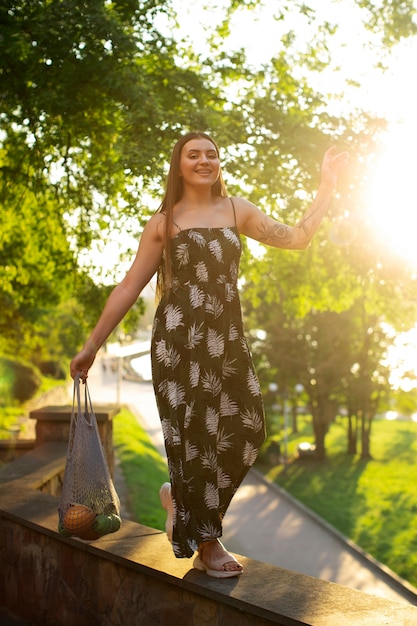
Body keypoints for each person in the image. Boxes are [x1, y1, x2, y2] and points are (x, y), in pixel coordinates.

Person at [70, 131, 349, 578]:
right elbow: (128, 286)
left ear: (220, 162)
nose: (204, 161)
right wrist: (91, 347)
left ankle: (182, 502)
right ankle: (206, 539)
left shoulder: (237, 210)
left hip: (227, 340)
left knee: (250, 428)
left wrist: (326, 188)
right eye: (193, 154)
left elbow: (296, 238)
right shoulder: (165, 222)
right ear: (178, 165)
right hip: (178, 343)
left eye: (211, 154)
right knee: (196, 442)